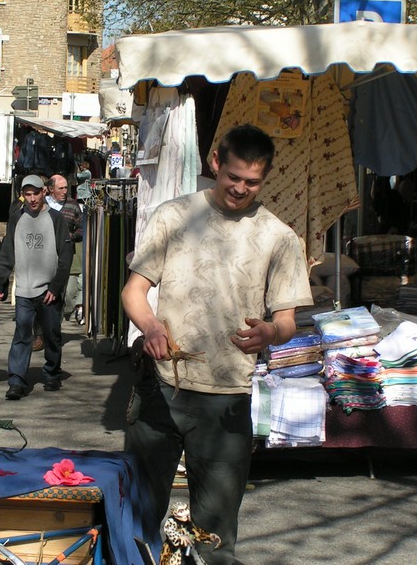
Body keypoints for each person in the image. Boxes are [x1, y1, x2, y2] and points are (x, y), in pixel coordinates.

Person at [121, 124, 313, 564]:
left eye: (253, 182)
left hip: (226, 400)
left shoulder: (279, 237)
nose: (241, 189)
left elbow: (287, 321)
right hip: (161, 388)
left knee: (215, 536)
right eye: (234, 177)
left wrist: (270, 332)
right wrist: (151, 326)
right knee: (136, 517)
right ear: (215, 163)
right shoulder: (174, 216)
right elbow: (134, 291)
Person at [0, 175, 73, 400]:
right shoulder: (17, 218)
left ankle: (52, 373)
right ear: (23, 196)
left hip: (48, 290)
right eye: (27, 194)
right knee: (22, 334)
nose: (32, 199)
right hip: (24, 290)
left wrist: (55, 287)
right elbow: (7, 252)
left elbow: (65, 255)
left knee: (52, 334)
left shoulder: (55, 218)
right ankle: (16, 380)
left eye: (35, 193)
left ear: (44, 192)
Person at [45, 174, 84, 323]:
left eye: (66, 188)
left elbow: (82, 228)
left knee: (65, 293)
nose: (65, 191)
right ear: (51, 189)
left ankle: (56, 324)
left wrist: (69, 236)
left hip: (65, 256)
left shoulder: (72, 205)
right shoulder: (42, 205)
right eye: (61, 188)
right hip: (44, 257)